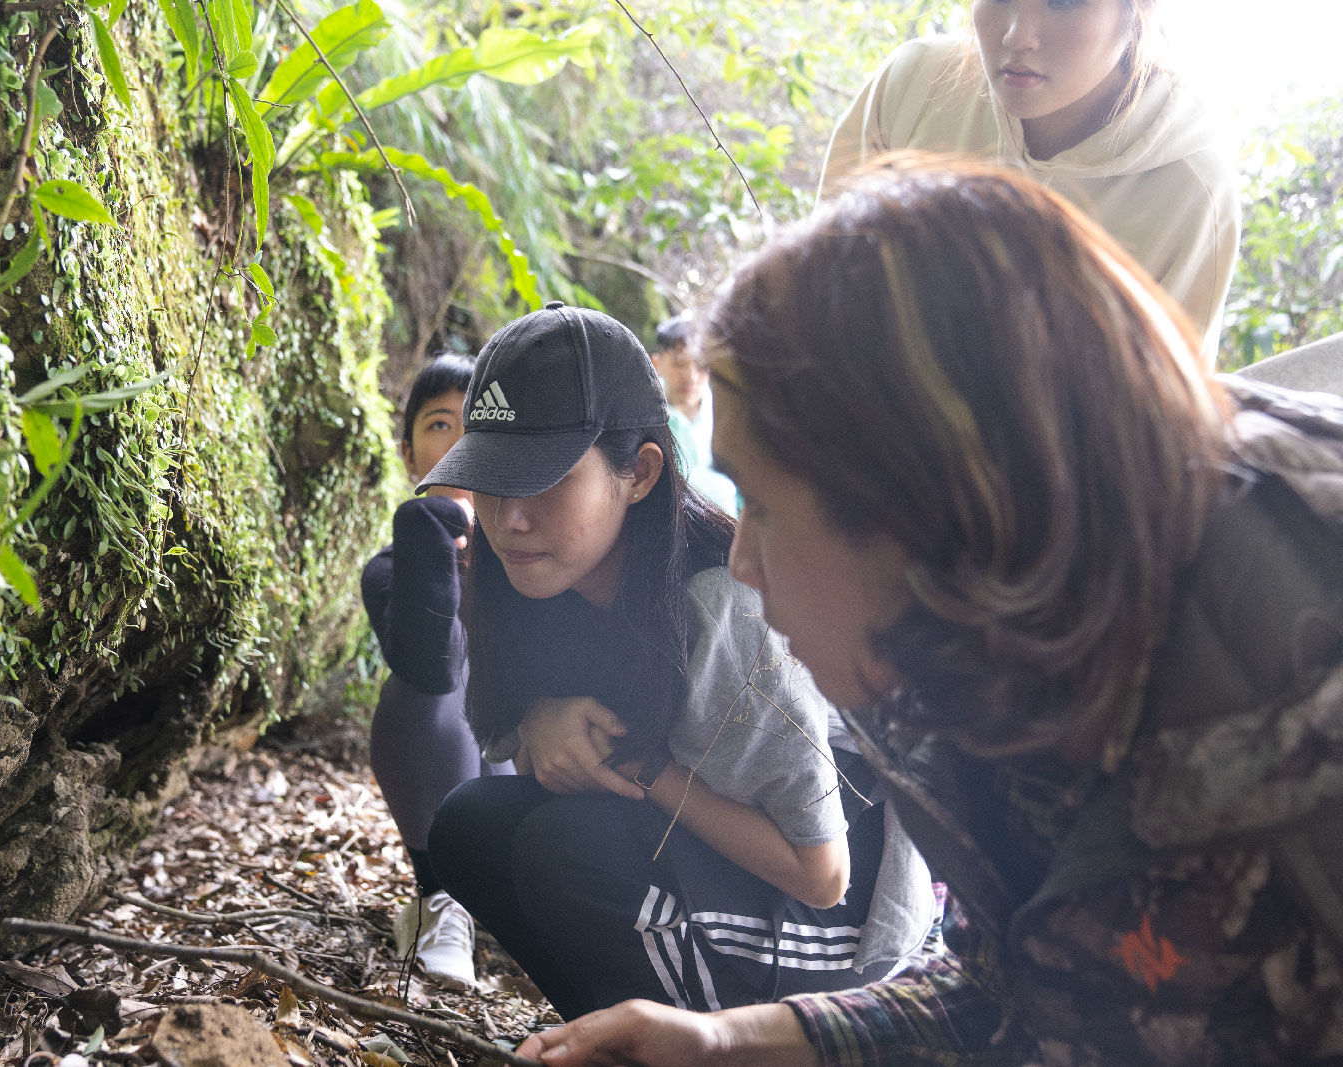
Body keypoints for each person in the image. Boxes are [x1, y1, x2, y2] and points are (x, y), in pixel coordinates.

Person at [518, 160, 1343, 1067]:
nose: (742, 564)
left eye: (764, 505)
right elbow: (1012, 990)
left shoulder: (1294, 690)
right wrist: (722, 1041)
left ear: (913, 505)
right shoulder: (988, 654)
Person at [418, 302, 934, 1021]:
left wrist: (642, 768)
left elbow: (824, 873)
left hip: (844, 926)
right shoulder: (521, 580)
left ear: (639, 473)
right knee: (469, 825)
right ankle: (612, 1034)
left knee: (565, 848)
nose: (511, 517)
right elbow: (525, 757)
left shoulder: (722, 609)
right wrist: (541, 722)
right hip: (700, 863)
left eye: (544, 478)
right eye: (494, 478)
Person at [820, 0, 1239, 364]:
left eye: (1064, 1)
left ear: (1140, 12)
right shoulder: (914, 85)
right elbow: (822, 291)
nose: (1019, 36)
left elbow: (1153, 420)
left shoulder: (1189, 185)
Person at [360, 353, 513, 989]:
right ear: (408, 452)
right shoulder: (391, 566)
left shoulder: (538, 555)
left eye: (474, 427)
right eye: (439, 425)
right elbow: (433, 663)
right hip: (437, 768)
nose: (457, 445)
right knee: (426, 691)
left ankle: (505, 901)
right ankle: (439, 901)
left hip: (521, 782)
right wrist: (434, 532)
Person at [650, 311, 739, 516]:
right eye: (680, 364)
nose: (691, 377)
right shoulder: (646, 416)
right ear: (657, 364)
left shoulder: (727, 408)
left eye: (701, 366)